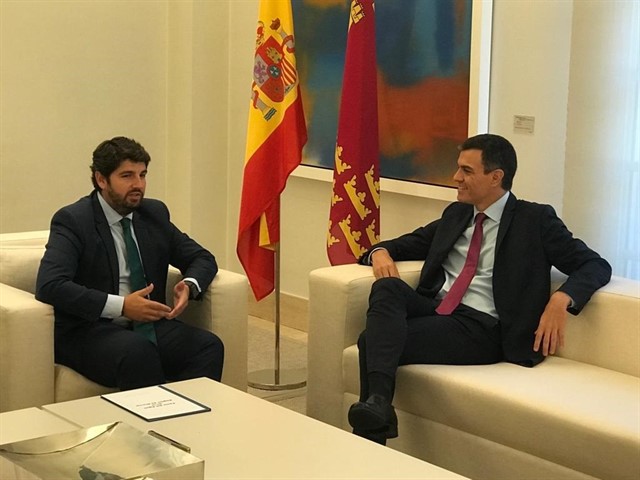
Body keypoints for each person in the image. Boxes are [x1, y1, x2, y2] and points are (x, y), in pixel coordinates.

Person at [348, 133, 611, 444]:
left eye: (466, 171)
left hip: (482, 327)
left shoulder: (535, 220)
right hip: (438, 310)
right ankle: (378, 411)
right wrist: (379, 252)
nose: (456, 177)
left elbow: (595, 264)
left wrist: (561, 298)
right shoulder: (457, 214)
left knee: (371, 340)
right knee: (388, 288)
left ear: (496, 177)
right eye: (458, 168)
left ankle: (372, 427)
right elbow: (406, 244)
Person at [36, 136, 224, 391]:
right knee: (137, 352)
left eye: (142, 175)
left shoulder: (153, 214)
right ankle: (155, 418)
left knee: (207, 346)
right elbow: (50, 285)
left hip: (148, 325)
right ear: (101, 180)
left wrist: (189, 285)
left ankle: (189, 416)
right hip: (89, 329)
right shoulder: (73, 220)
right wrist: (122, 306)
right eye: (127, 176)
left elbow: (202, 257)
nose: (138, 185)